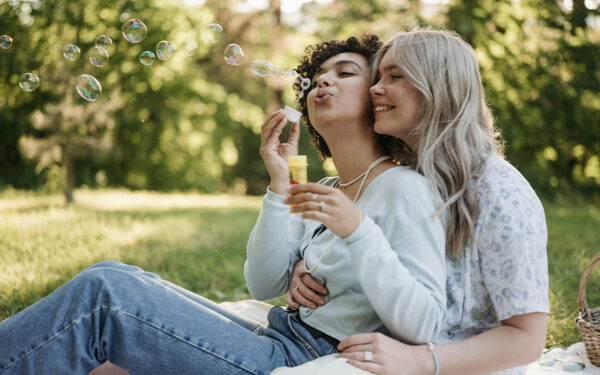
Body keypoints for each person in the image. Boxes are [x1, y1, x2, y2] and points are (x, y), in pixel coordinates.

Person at [0, 35, 446, 375]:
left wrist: (358, 231)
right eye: (318, 75)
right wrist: (279, 182)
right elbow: (262, 281)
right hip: (276, 330)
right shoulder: (317, 181)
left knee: (106, 296)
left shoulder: (404, 187)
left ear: (376, 97)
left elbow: (423, 322)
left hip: (302, 357)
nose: (323, 80)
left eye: (346, 72)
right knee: (117, 275)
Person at [287, 27, 549, 375]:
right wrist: (307, 266)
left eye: (395, 76)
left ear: (440, 87)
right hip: (387, 349)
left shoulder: (500, 190)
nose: (375, 88)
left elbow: (527, 340)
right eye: (378, 76)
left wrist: (421, 360)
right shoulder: (411, 174)